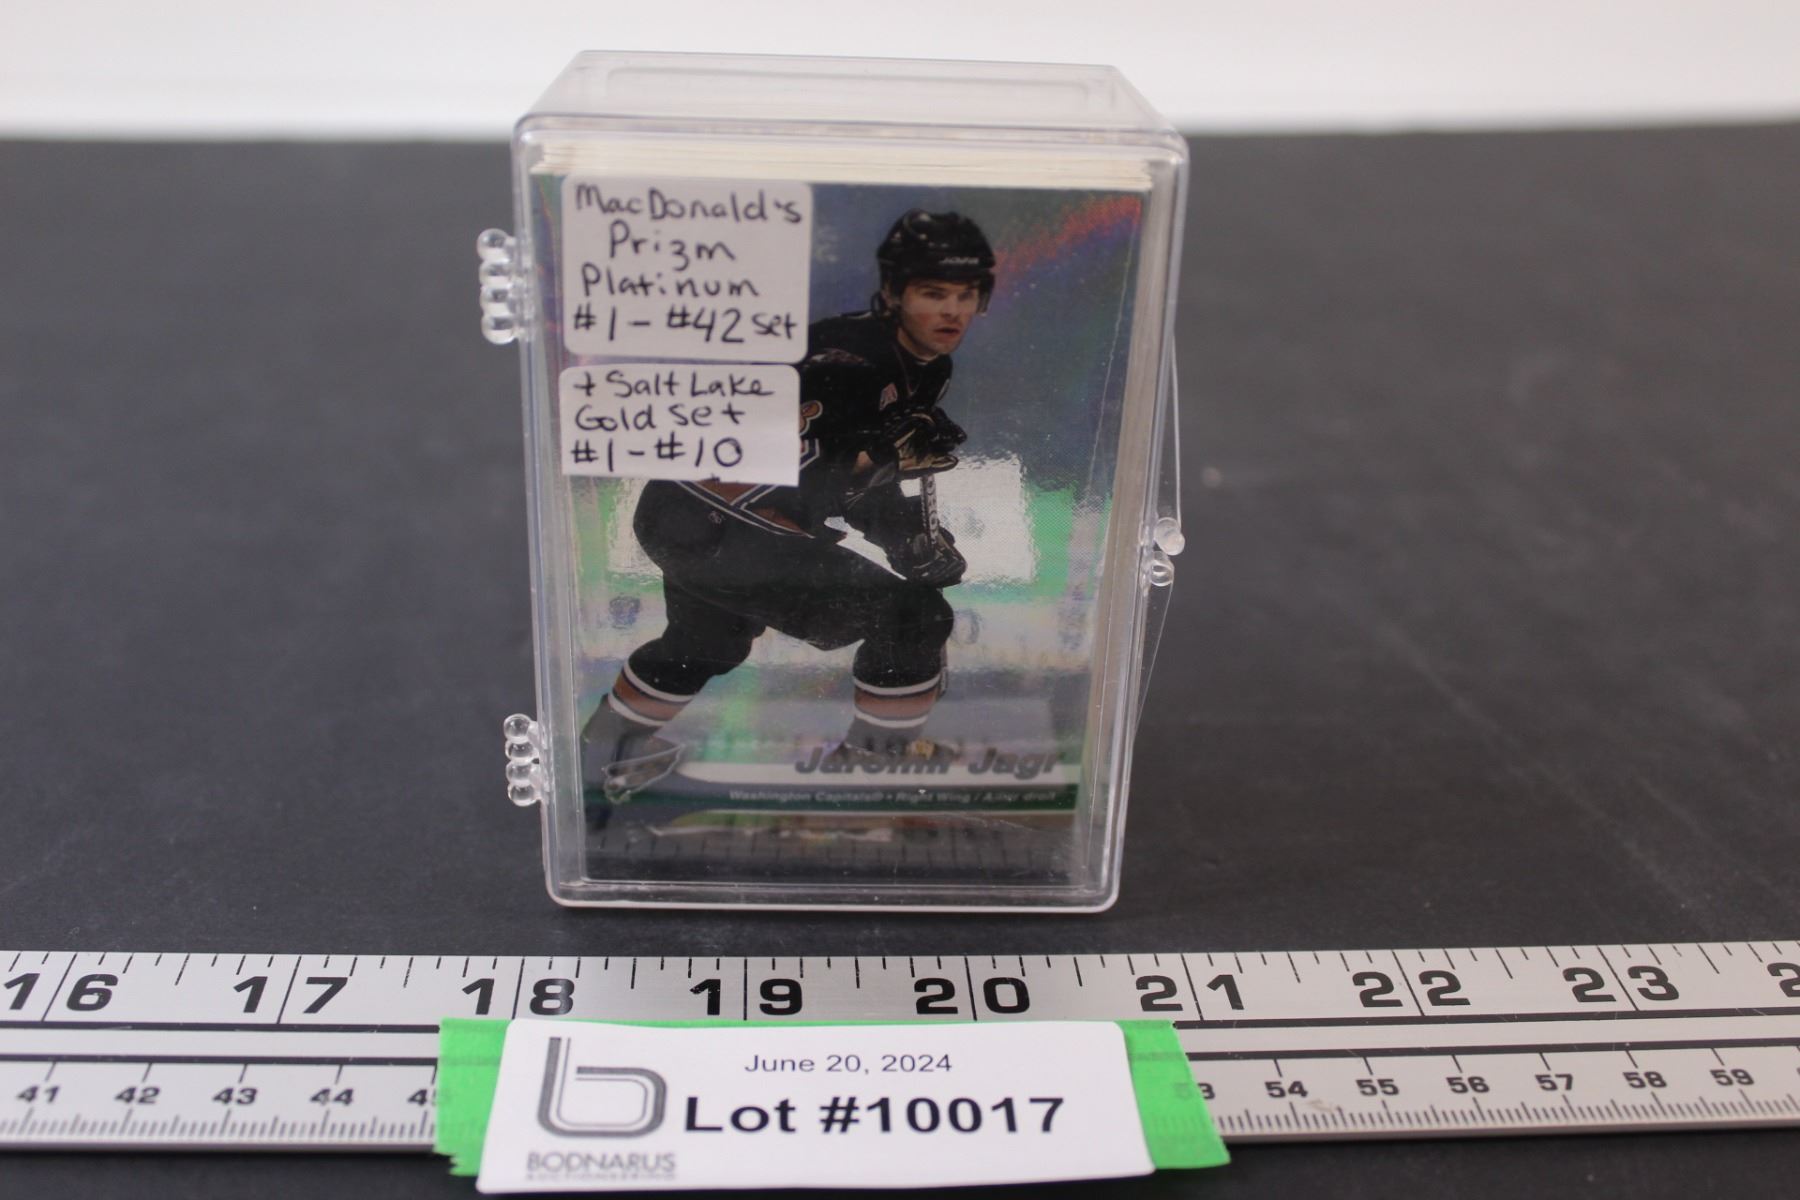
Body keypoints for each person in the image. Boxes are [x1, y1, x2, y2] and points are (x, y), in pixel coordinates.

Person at [581, 209, 997, 801]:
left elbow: (855, 482)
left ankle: (601, 753)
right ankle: (873, 768)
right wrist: (881, 460)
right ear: (893, 293)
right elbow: (804, 471)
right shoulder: (842, 362)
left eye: (965, 294)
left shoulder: (927, 367)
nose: (951, 311)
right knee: (913, 618)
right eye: (933, 293)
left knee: (706, 642)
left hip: (688, 512)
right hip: (717, 518)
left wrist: (908, 533)